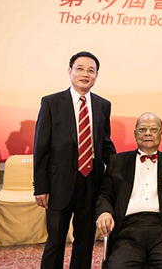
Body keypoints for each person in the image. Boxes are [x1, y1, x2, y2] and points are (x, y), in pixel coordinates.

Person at [34, 51, 116, 269]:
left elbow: (104, 143)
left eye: (91, 70)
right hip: (59, 184)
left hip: (91, 183)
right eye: (79, 69)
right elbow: (41, 148)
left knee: (85, 241)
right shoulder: (51, 103)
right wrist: (40, 187)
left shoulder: (102, 105)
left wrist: (122, 167)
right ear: (69, 71)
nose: (85, 74)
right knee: (55, 241)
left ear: (97, 75)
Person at [96, 112, 162, 269]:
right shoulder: (117, 162)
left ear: (161, 134)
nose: (148, 133)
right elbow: (104, 195)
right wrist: (104, 213)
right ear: (135, 133)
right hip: (128, 231)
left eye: (153, 129)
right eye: (142, 129)